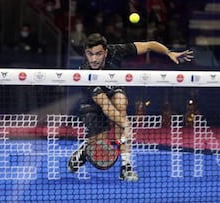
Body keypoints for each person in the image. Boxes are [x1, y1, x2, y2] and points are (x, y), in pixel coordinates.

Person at [67, 33, 194, 181]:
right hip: (92, 104)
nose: (94, 59)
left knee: (120, 103)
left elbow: (149, 45)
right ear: (85, 53)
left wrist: (169, 52)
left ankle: (126, 166)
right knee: (99, 145)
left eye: (98, 54)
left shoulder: (115, 51)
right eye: (90, 54)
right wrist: (126, 125)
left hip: (113, 91)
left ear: (106, 52)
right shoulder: (85, 72)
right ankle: (85, 150)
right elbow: (105, 105)